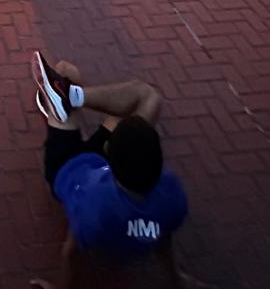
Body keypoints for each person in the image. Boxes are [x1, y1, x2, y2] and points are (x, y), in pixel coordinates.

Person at [27, 52, 201, 289]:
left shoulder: (92, 212)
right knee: (147, 97)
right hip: (101, 162)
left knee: (67, 70)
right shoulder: (173, 195)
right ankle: (69, 96)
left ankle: (59, 99)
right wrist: (176, 280)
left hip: (67, 168)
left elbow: (71, 253)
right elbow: (164, 239)